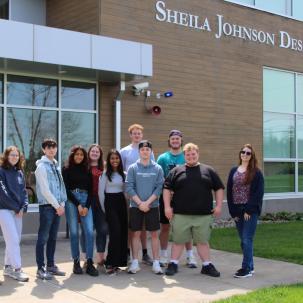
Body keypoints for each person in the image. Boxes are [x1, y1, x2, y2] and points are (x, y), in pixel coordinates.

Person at [163, 143, 224, 277]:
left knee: (202, 241)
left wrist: (219, 205)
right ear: (184, 156)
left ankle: (207, 265)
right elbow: (166, 189)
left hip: (203, 215)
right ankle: (173, 264)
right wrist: (167, 207)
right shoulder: (176, 171)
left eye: (193, 154)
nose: (191, 156)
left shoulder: (208, 170)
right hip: (180, 214)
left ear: (198, 154)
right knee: (178, 241)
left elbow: (218, 188)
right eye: (188, 154)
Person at [157, 130, 197, 268]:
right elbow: (159, 177)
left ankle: (190, 256)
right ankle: (163, 255)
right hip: (166, 198)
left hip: (183, 198)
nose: (175, 141)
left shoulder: (186, 155)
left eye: (177, 139)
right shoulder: (163, 158)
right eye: (173, 139)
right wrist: (169, 190)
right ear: (169, 141)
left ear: (181, 140)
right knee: (165, 227)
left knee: (186, 228)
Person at [125, 140, 164, 274]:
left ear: (151, 152)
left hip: (152, 206)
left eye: (148, 149)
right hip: (136, 207)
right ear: (139, 151)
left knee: (154, 234)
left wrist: (147, 203)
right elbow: (129, 187)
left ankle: (156, 263)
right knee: (135, 233)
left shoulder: (157, 168)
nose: (145, 151)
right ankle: (135, 262)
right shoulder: (132, 168)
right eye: (142, 149)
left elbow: (159, 187)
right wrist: (140, 203)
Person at [227, 144, 264, 278]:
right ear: (240, 154)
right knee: (244, 240)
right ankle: (251, 266)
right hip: (237, 210)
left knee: (247, 239)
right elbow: (230, 192)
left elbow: (258, 193)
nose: (245, 154)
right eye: (243, 152)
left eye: (248, 153)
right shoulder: (233, 171)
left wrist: (249, 209)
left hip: (250, 211)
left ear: (251, 155)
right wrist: (233, 212)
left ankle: (246, 269)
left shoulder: (256, 172)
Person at [120, 123, 155, 265]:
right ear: (130, 135)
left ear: (142, 134)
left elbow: (153, 169)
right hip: (130, 194)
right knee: (132, 225)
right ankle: (128, 252)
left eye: (139, 133)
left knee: (144, 226)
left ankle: (145, 253)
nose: (137, 135)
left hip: (146, 194)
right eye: (134, 133)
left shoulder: (148, 151)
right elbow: (119, 170)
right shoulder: (124, 151)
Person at [62, 145, 98, 276]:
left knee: (89, 231)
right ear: (72, 155)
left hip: (86, 198)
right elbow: (65, 189)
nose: (79, 156)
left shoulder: (87, 169)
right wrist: (78, 204)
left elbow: (90, 189)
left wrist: (87, 206)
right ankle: (76, 262)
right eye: (77, 154)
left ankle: (89, 262)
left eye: (81, 155)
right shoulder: (66, 169)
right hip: (71, 200)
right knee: (74, 233)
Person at [35, 138, 67, 280]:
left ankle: (51, 266)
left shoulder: (56, 166)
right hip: (47, 207)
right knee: (43, 238)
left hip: (58, 206)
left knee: (53, 238)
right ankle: (40, 268)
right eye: (48, 147)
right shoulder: (41, 167)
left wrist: (62, 204)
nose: (51, 149)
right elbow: (45, 190)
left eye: (54, 147)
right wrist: (57, 205)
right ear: (43, 150)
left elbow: (61, 187)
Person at [0, 146, 29, 282]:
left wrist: (23, 206)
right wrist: (16, 207)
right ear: (6, 156)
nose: (14, 157)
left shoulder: (19, 173)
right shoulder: (1, 171)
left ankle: (7, 267)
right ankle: (17, 269)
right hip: (4, 210)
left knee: (14, 240)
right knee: (12, 239)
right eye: (12, 155)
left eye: (16, 155)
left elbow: (24, 192)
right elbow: (3, 193)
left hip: (18, 211)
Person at [98, 149, 128, 274]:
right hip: (109, 203)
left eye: (117, 158)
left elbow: (126, 192)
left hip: (121, 202)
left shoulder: (124, 174)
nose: (114, 160)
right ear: (108, 161)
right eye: (112, 158)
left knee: (122, 232)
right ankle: (110, 262)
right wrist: (105, 209)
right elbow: (100, 193)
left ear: (120, 160)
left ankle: (119, 262)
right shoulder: (105, 174)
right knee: (115, 232)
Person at [87, 144, 107, 268]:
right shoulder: (84, 167)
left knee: (102, 230)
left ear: (100, 154)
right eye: (92, 151)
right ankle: (86, 258)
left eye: (97, 151)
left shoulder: (104, 167)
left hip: (101, 201)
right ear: (89, 153)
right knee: (87, 231)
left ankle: (101, 258)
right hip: (87, 201)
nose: (95, 153)